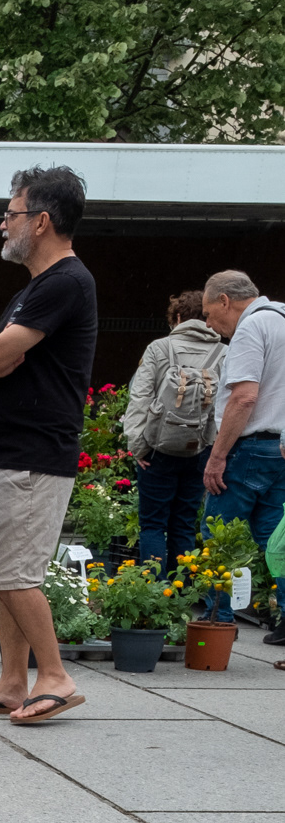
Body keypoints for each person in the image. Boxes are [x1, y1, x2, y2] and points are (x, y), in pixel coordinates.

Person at [0, 165, 96, 727]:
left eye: (10, 214)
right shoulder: (32, 291)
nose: (1, 224)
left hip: (32, 457)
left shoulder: (65, 281)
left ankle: (55, 676)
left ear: (40, 221)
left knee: (14, 573)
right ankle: (14, 681)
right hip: (10, 455)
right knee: (2, 571)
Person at [200, 271, 285, 635]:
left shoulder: (252, 328)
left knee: (220, 535)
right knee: (274, 539)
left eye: (207, 313)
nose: (208, 322)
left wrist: (218, 456)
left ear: (224, 300)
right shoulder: (282, 318)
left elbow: (244, 396)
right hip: (279, 448)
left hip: (248, 448)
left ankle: (216, 619)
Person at [122, 291, 223, 578]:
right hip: (200, 450)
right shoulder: (223, 352)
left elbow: (139, 398)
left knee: (153, 525)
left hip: (157, 450)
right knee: (184, 522)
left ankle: (153, 594)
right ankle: (184, 593)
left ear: (177, 318)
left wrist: (138, 446)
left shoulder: (159, 348)